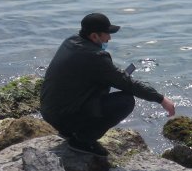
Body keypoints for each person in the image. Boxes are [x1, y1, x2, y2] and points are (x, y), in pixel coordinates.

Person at [40, 12, 176, 156]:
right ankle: (82, 141)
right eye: (107, 34)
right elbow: (128, 84)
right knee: (125, 101)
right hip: (63, 117)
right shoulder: (95, 56)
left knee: (102, 86)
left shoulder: (70, 41)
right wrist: (161, 99)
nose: (109, 38)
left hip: (51, 112)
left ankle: (71, 132)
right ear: (94, 36)